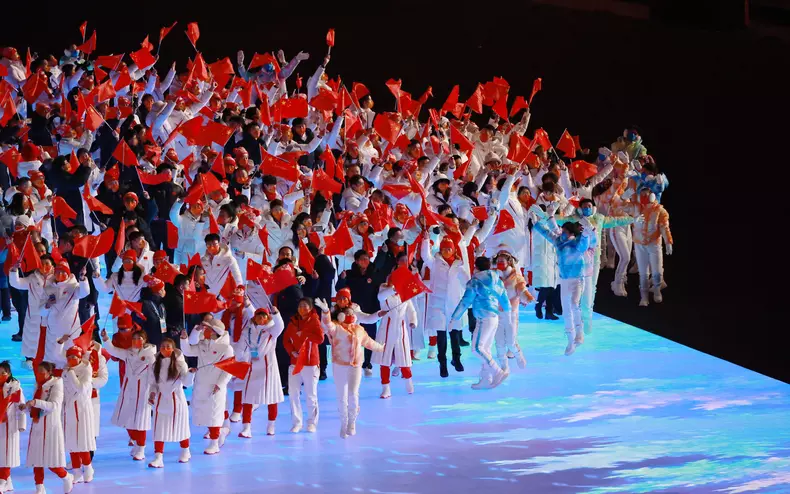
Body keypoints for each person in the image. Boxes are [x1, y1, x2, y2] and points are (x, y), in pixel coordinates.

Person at [315, 299, 384, 438]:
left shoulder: (359, 330)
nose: (350, 315)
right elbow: (327, 324)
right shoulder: (336, 328)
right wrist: (325, 311)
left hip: (355, 365)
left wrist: (383, 348)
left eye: (352, 313)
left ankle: (352, 422)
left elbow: (369, 343)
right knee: (342, 396)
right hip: (339, 365)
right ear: (341, 316)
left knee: (353, 394)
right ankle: (344, 423)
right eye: (347, 313)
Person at [532, 218, 594, 356]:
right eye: (562, 231)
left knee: (573, 304)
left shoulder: (577, 244)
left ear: (571, 232)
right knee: (566, 310)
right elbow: (546, 233)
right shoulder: (559, 242)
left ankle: (580, 333)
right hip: (564, 281)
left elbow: (585, 242)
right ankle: (571, 341)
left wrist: (586, 232)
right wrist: (536, 223)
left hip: (577, 280)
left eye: (565, 231)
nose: (562, 233)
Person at [450, 257, 512, 390]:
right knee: (486, 349)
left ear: (476, 267)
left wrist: (454, 318)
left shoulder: (475, 282)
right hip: (493, 317)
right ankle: (485, 379)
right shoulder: (496, 280)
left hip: (484, 317)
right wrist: (508, 313)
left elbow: (465, 301)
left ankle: (497, 371)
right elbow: (504, 298)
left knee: (477, 348)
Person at [179, 317, 234, 454]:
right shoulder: (203, 345)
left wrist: (220, 384)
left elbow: (229, 370)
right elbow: (187, 351)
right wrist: (185, 339)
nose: (205, 331)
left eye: (208, 329)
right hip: (201, 383)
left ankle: (214, 443)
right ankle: (218, 432)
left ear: (215, 331)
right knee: (205, 412)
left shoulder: (226, 349)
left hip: (215, 385)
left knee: (215, 413)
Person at [100, 328, 156, 462]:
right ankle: (136, 442)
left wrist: (153, 392)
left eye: (139, 339)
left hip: (143, 392)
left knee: (140, 421)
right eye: (134, 339)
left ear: (145, 340)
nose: (136, 341)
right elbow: (114, 351)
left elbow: (154, 376)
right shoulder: (128, 353)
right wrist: (106, 339)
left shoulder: (151, 356)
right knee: (126, 419)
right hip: (128, 391)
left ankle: (141, 448)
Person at [20, 361, 74, 494]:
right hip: (37, 425)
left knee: (52, 461)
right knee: (36, 459)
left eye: (42, 372)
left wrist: (36, 402)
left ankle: (66, 477)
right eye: (38, 372)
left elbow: (54, 405)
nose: (39, 374)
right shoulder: (38, 384)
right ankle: (39, 488)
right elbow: (36, 407)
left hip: (51, 427)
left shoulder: (57, 383)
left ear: (49, 372)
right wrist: (26, 408)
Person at [420, 237, 470, 378]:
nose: (447, 251)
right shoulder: (435, 263)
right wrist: (425, 238)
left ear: (453, 250)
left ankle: (456, 359)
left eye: (449, 248)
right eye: (444, 249)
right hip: (438, 305)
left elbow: (468, 282)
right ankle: (442, 363)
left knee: (454, 334)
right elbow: (425, 255)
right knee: (441, 335)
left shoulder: (459, 265)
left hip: (454, 305)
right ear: (440, 250)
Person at [146, 338, 192, 468]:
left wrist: (191, 374)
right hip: (161, 401)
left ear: (173, 349)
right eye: (163, 346)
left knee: (181, 427)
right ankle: (158, 457)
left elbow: (187, 383)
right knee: (158, 429)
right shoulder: (155, 364)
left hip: (177, 401)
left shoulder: (179, 364)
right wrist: (152, 394)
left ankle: (185, 450)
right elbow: (153, 384)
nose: (165, 349)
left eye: (168, 346)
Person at [283, 298, 323, 433]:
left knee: (310, 394)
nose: (302, 308)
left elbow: (320, 339)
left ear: (311, 308)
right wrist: (291, 351)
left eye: (305, 306)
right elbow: (286, 340)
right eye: (300, 306)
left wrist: (305, 334)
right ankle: (297, 422)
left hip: (310, 363)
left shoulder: (315, 321)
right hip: (295, 363)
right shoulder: (293, 322)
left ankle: (312, 422)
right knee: (293, 393)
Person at [58, 344, 96, 484]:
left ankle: (88, 468)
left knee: (82, 442)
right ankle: (76, 471)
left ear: (79, 357)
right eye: (69, 357)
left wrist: (71, 373)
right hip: (68, 410)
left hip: (82, 410)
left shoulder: (86, 370)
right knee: (71, 442)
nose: (71, 359)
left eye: (74, 356)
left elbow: (80, 388)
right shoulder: (65, 371)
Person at [493, 247, 535, 370]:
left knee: (511, 341)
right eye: (498, 261)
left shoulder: (516, 277)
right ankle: (503, 365)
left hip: (511, 313)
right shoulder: (493, 274)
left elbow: (522, 289)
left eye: (502, 261)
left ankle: (518, 355)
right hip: (496, 313)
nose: (500, 263)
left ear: (509, 262)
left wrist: (528, 297)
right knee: (499, 342)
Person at [9, 254, 54, 365]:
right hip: (34, 316)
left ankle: (49, 362)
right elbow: (16, 283)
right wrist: (14, 270)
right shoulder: (32, 278)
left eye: (47, 264)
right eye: (42, 264)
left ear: (53, 265)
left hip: (51, 318)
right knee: (33, 340)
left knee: (49, 342)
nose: (44, 267)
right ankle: (30, 359)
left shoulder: (57, 279)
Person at [0, 361, 26, 494]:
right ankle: (7, 481)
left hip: (10, 425)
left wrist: (22, 425)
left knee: (7, 454)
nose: (1, 376)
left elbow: (22, 407)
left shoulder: (15, 388)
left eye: (3, 373)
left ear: (9, 374)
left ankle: (3, 481)